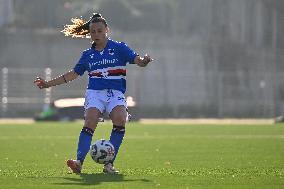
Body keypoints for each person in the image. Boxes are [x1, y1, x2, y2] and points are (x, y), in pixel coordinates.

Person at [34, 13, 153, 174]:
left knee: (119, 119)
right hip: (95, 93)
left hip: (115, 92)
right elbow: (72, 74)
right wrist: (48, 84)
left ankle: (109, 164)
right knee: (90, 120)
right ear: (90, 33)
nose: (96, 34)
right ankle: (79, 162)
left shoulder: (119, 48)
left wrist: (143, 61)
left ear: (106, 30)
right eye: (93, 32)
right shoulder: (87, 55)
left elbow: (137, 60)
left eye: (99, 31)